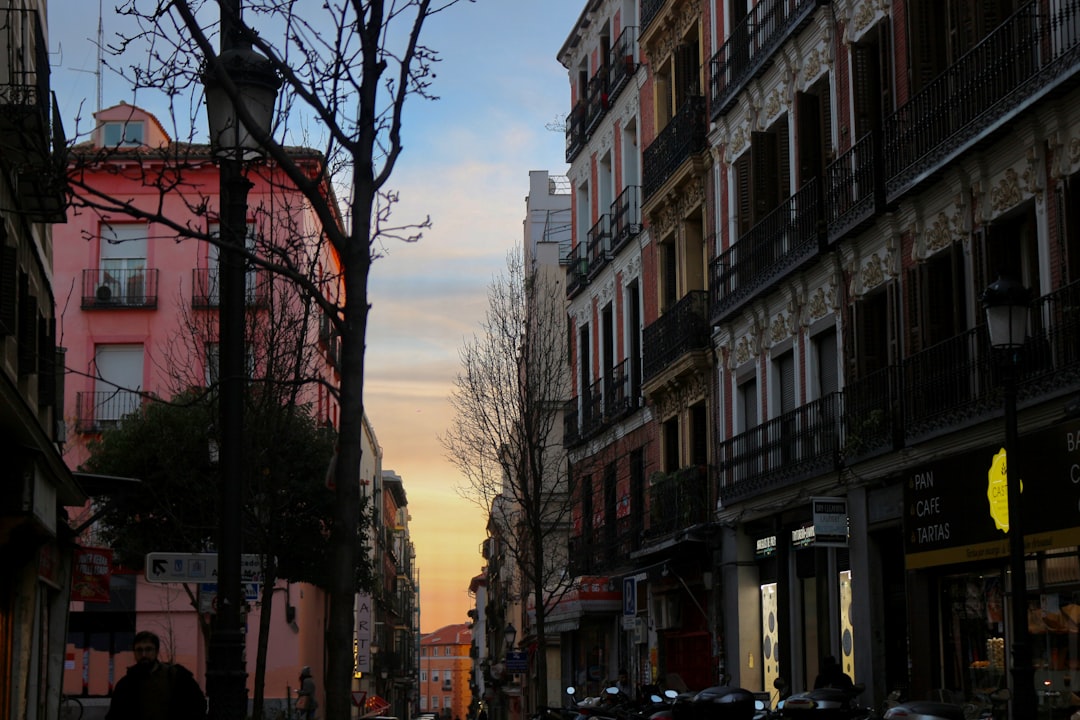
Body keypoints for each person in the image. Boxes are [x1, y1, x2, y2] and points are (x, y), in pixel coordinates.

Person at [105, 630, 207, 720]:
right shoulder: (125, 685)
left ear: (156, 651)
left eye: (148, 649)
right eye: (139, 650)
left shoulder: (177, 677)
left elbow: (198, 706)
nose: (144, 654)